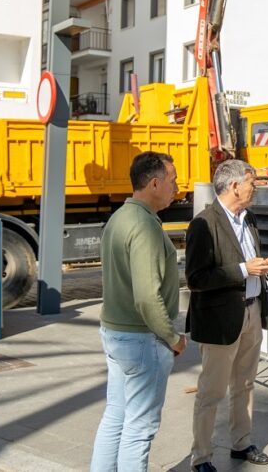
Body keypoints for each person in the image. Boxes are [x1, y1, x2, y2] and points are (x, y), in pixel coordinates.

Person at [91, 152, 186, 471]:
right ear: (155, 183)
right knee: (139, 430)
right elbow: (147, 297)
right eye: (172, 180)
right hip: (141, 339)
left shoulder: (120, 218)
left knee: (115, 418)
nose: (176, 186)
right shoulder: (144, 225)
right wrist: (173, 337)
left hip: (117, 334)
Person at [185, 160, 268, 471]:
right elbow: (196, 279)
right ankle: (202, 457)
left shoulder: (248, 219)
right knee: (212, 391)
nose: (256, 187)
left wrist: (266, 268)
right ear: (235, 185)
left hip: (251, 312)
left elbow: (250, 263)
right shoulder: (204, 223)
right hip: (221, 321)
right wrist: (243, 269)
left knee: (246, 384)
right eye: (252, 181)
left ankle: (242, 443)